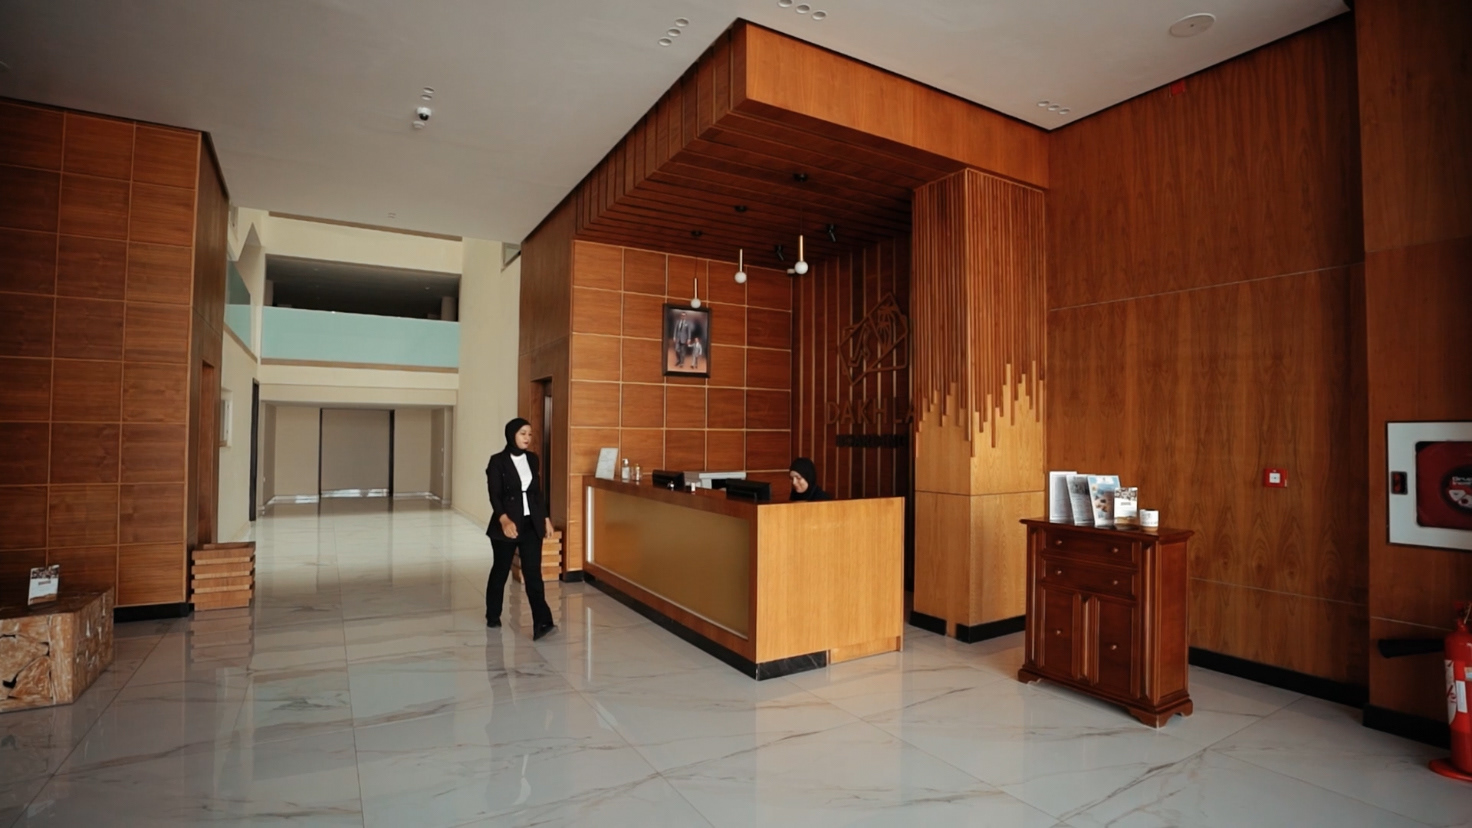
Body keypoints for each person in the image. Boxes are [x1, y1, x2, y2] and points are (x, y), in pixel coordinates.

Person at [485, 417, 556, 640]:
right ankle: (493, 614)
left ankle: (542, 622)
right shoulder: (497, 461)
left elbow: (537, 493)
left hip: (531, 523)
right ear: (511, 435)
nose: (527, 438)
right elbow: (494, 494)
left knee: (533, 573)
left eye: (530, 434)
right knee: (500, 570)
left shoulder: (532, 459)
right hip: (507, 524)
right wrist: (504, 520)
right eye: (522, 433)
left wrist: (545, 518)